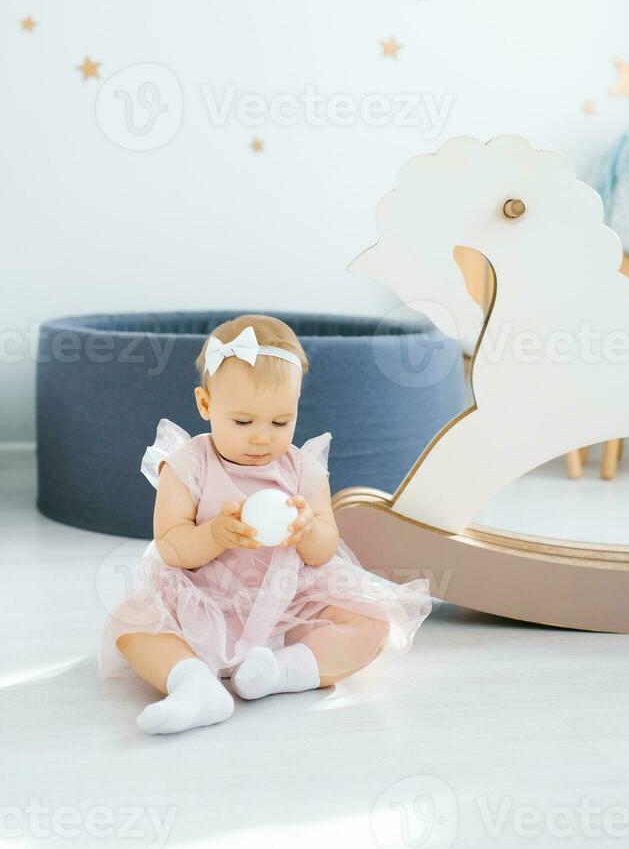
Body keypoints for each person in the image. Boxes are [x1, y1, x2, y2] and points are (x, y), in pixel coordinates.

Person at [97, 314, 433, 734]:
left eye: (280, 422)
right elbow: (170, 545)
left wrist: (308, 531)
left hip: (288, 602)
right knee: (133, 624)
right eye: (243, 422)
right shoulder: (187, 464)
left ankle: (281, 672)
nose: (262, 437)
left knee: (370, 624)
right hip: (203, 600)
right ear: (206, 405)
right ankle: (194, 684)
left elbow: (325, 548)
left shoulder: (302, 469)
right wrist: (214, 534)